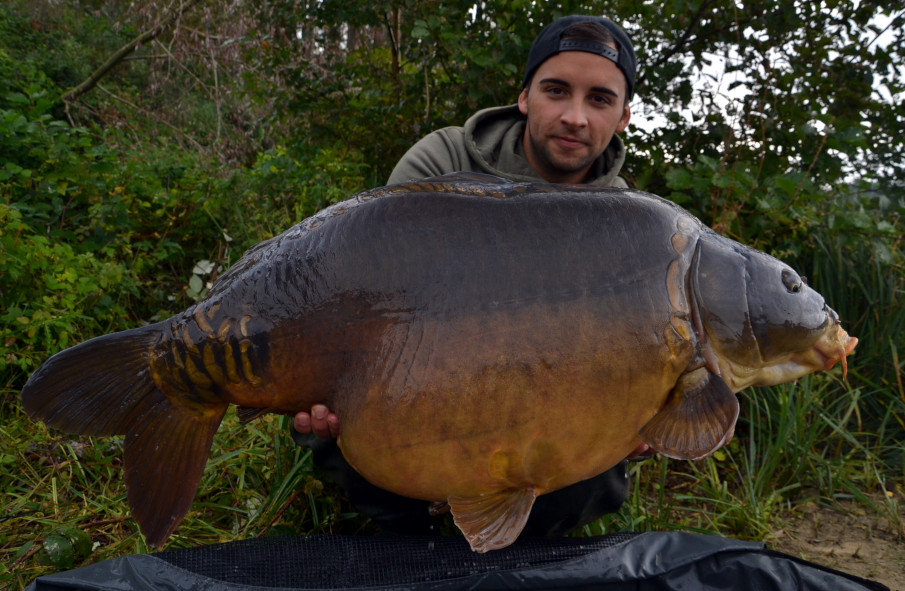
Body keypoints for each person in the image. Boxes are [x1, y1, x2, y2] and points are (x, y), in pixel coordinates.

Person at [291, 14, 651, 537]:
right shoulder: (443, 160)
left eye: (599, 99)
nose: (575, 116)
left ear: (622, 117)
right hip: (422, 375)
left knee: (595, 470)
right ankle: (408, 524)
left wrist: (634, 419)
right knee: (333, 414)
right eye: (556, 91)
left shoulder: (630, 226)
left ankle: (502, 535)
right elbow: (376, 293)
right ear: (525, 97)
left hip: (541, 404)